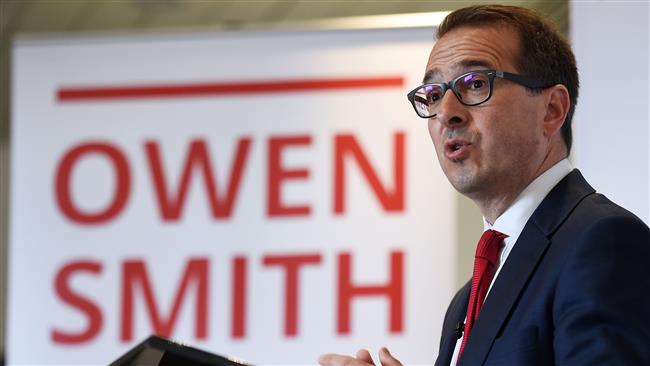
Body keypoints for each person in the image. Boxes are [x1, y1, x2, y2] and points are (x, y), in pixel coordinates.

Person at [318, 4, 650, 366]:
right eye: (432, 94)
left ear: (552, 110)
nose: (446, 112)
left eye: (475, 84)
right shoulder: (465, 301)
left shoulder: (602, 242)